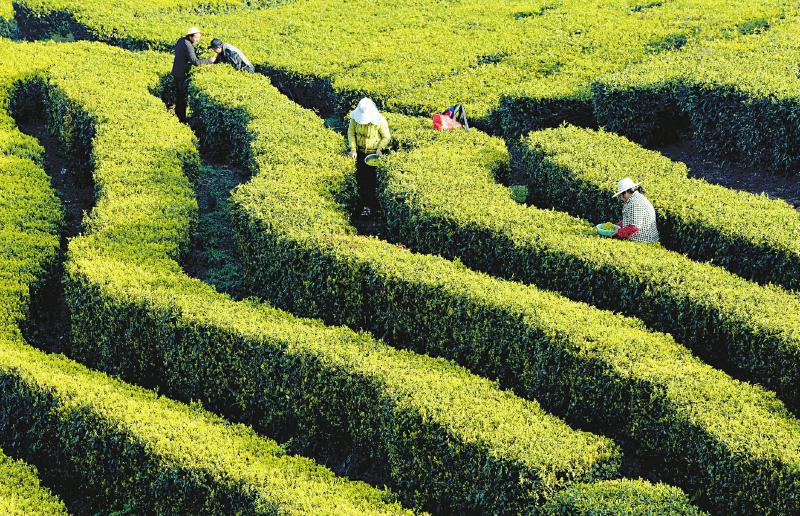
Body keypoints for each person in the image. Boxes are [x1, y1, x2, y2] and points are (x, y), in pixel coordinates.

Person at [347, 98, 391, 217]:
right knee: (361, 180)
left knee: (371, 181)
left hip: (373, 155)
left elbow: (386, 137)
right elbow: (351, 134)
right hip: (360, 153)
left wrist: (379, 148)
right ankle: (361, 205)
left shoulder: (380, 120)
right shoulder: (354, 119)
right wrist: (353, 149)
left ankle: (370, 206)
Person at [171, 27, 216, 123]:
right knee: (182, 98)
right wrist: (209, 60)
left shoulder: (181, 40)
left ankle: (179, 117)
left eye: (199, 38)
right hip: (182, 74)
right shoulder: (188, 45)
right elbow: (195, 62)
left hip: (176, 71)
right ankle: (181, 120)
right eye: (196, 38)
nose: (197, 40)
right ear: (190, 36)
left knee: (179, 97)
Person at [611, 177, 659, 242]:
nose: (621, 197)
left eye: (622, 194)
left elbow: (634, 227)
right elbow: (631, 220)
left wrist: (617, 234)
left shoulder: (635, 202)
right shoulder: (635, 198)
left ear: (626, 192)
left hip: (644, 241)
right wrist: (615, 226)